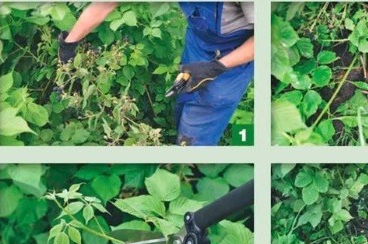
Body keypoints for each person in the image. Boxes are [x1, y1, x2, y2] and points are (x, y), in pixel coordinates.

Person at [58, 2, 254, 146]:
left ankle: (189, 170)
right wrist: (69, 44)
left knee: (204, 115)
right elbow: (105, 4)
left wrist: (216, 67)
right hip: (199, 42)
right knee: (185, 98)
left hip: (234, 55)